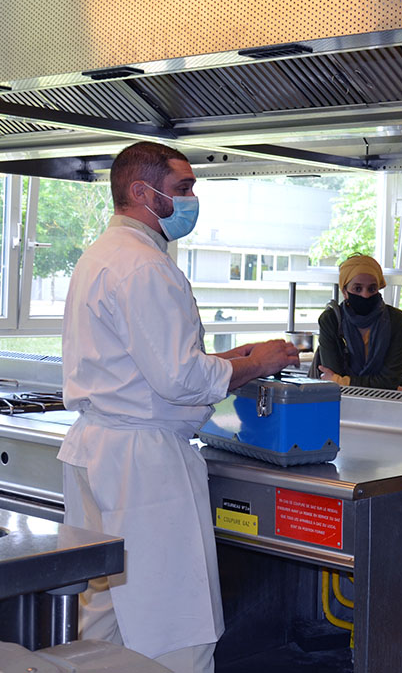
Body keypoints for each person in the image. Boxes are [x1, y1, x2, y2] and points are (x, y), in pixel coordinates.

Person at [58, 141, 299, 672]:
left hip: (100, 451)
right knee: (175, 629)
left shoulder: (102, 255)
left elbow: (150, 362)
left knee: (105, 620)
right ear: (143, 193)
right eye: (183, 188)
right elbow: (179, 378)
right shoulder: (145, 266)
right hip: (143, 466)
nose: (193, 199)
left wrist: (234, 358)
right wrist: (253, 367)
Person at [313, 254, 402, 389]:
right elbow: (331, 376)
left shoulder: (395, 320)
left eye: (372, 289)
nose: (365, 295)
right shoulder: (331, 320)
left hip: (389, 402)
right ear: (345, 291)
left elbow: (389, 380)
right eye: (357, 289)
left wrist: (343, 381)